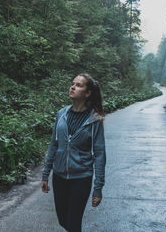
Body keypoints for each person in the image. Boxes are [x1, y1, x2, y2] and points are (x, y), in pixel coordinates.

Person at [41, 73, 106, 232]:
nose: (73, 87)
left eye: (79, 85)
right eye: (72, 84)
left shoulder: (94, 119)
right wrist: (45, 174)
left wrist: (98, 187)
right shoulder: (61, 114)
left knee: (73, 223)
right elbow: (54, 145)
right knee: (63, 220)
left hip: (82, 177)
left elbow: (99, 154)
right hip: (59, 176)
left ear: (87, 93)